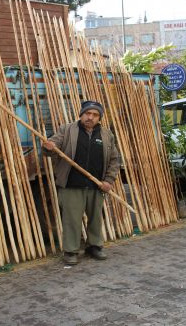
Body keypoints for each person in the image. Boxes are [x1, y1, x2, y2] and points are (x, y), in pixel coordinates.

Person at [42, 100, 121, 265]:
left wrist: (109, 180)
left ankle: (94, 246)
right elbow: (54, 144)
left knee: (95, 218)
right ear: (81, 114)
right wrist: (49, 146)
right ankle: (71, 251)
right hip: (72, 184)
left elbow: (114, 159)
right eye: (87, 114)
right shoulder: (68, 129)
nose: (90, 117)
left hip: (96, 185)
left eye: (95, 115)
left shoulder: (107, 135)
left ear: (99, 118)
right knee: (72, 219)